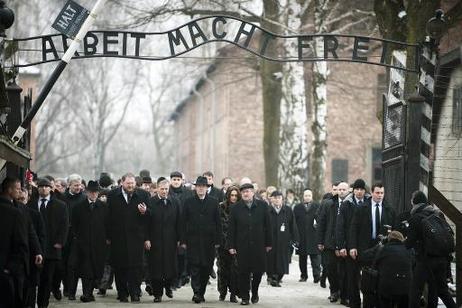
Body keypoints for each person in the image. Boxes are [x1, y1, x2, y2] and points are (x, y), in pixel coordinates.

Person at [406, 190, 457, 308]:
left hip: (425, 261)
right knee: (443, 292)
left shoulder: (415, 218)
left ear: (414, 202)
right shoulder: (438, 214)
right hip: (442, 260)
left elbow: (409, 244)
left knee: (415, 291)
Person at [349, 183, 396, 308]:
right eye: (377, 193)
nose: (380, 195)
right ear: (372, 193)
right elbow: (353, 228)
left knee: (380, 278)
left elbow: (394, 230)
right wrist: (352, 246)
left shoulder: (389, 209)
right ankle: (366, 302)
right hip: (365, 248)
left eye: (382, 193)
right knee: (366, 279)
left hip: (382, 249)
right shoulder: (361, 208)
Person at [106, 173, 150, 303]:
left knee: (136, 268)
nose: (130, 186)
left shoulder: (143, 195)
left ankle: (135, 293)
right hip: (118, 238)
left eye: (132, 183)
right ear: (122, 183)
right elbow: (108, 217)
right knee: (120, 267)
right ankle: (122, 293)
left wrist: (145, 212)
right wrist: (108, 236)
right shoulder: (113, 195)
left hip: (136, 238)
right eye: (128, 183)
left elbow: (150, 217)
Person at [228, 183, 272, 305]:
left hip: (259, 244)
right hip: (242, 245)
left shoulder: (262, 206)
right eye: (243, 192)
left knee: (258, 271)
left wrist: (269, 243)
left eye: (248, 191)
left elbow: (268, 225)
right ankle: (245, 297)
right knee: (243, 272)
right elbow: (231, 229)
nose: (246, 194)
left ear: (253, 192)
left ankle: (255, 291)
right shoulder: (235, 208)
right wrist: (231, 245)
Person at [180, 176, 222, 304]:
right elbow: (182, 222)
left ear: (207, 188)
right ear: (195, 188)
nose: (200, 189)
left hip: (208, 242)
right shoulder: (188, 202)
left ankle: (201, 291)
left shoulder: (214, 202)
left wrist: (218, 240)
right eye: (198, 186)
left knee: (206, 267)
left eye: (203, 186)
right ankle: (196, 292)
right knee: (194, 267)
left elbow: (218, 223)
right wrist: (183, 240)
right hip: (192, 240)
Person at [29, 178, 69, 308]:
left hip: (52, 248)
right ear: (38, 188)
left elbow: (64, 226)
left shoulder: (60, 205)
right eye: (41, 186)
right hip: (34, 248)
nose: (44, 188)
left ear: (51, 188)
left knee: (47, 280)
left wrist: (60, 242)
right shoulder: (31, 204)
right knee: (32, 279)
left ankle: (43, 304)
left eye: (46, 186)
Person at [142, 177, 181, 303]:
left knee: (170, 266)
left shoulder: (175, 202)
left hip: (170, 240)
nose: (164, 191)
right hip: (155, 240)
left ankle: (168, 287)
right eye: (162, 189)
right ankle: (157, 294)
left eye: (166, 189)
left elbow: (179, 222)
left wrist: (180, 239)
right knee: (156, 268)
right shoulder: (151, 201)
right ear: (157, 189)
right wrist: (146, 239)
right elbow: (146, 223)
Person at [71, 180, 108, 303]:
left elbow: (108, 225)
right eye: (91, 192)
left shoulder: (103, 207)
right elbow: (74, 225)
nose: (94, 194)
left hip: (99, 244)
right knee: (86, 269)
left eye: (96, 192)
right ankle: (86, 293)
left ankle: (90, 292)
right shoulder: (79, 207)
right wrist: (78, 238)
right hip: (84, 243)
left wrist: (107, 239)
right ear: (87, 192)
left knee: (97, 268)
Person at [336, 179, 370, 308]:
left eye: (362, 189)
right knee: (352, 276)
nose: (359, 192)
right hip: (350, 245)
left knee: (367, 276)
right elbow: (340, 227)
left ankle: (368, 301)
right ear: (353, 190)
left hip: (366, 246)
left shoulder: (369, 203)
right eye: (357, 189)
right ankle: (354, 301)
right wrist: (341, 246)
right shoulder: (346, 204)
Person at [360, 231, 412, 308]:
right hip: (405, 289)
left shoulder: (382, 249)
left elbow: (364, 256)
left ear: (388, 239)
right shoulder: (409, 250)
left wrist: (379, 245)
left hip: (386, 289)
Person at [317, 182, 349, 303]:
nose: (340, 191)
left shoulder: (351, 204)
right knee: (331, 269)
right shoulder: (328, 204)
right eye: (339, 189)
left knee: (344, 271)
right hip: (329, 242)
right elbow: (322, 223)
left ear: (348, 191)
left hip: (345, 243)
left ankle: (344, 293)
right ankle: (334, 291)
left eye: (343, 189)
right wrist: (320, 241)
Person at [0, 178, 29, 308]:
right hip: (8, 271)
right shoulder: (15, 213)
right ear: (9, 190)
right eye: (17, 189)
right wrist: (11, 268)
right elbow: (21, 244)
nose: (20, 192)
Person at [59, 174, 86, 301]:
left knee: (73, 263)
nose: (78, 187)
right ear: (69, 185)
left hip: (79, 235)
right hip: (65, 235)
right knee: (64, 263)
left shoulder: (84, 198)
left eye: (79, 185)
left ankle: (71, 290)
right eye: (75, 185)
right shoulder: (62, 198)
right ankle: (66, 286)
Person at [267, 191, 299, 287]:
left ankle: (278, 277)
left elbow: (293, 225)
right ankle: (272, 277)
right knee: (270, 260)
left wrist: (295, 239)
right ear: (271, 199)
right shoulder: (267, 210)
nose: (277, 200)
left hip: (283, 240)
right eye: (275, 198)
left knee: (282, 261)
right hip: (271, 240)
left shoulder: (288, 210)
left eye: (279, 198)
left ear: (282, 199)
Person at [169, 171, 193, 288]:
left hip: (184, 227)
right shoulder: (166, 192)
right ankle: (172, 278)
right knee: (171, 255)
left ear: (182, 181)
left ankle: (181, 276)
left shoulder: (188, 193)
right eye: (174, 179)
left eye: (178, 180)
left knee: (182, 254)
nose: (176, 182)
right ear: (170, 180)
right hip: (170, 228)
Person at [217, 186, 240, 302]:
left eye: (236, 195)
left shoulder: (241, 208)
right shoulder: (221, 206)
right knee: (222, 269)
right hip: (223, 244)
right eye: (232, 195)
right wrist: (226, 243)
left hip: (237, 245)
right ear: (228, 195)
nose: (234, 198)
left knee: (235, 270)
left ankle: (233, 294)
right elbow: (220, 226)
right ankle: (222, 292)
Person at [293, 189, 321, 284]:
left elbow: (320, 219)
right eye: (306, 195)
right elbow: (294, 222)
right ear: (303, 196)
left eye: (309, 195)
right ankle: (303, 275)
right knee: (302, 257)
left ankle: (317, 276)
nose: (307, 197)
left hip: (313, 235)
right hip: (301, 236)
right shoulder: (297, 207)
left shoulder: (317, 206)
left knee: (315, 257)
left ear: (312, 196)